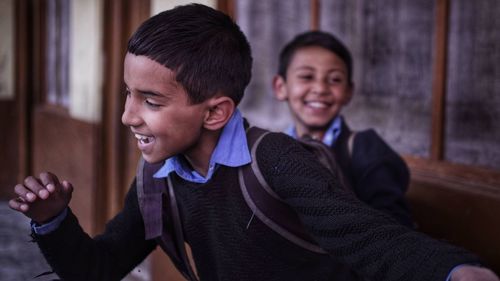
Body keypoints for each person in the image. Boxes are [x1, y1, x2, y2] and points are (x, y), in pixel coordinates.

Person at [8, 4, 499, 281]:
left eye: (151, 101)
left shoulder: (277, 159)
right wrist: (53, 223)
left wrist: (455, 271)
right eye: (127, 94)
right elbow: (101, 268)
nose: (126, 115)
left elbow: (369, 236)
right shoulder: (155, 179)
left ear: (217, 112)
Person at [272, 31, 413, 228]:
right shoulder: (273, 150)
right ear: (280, 87)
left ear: (348, 92)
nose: (320, 88)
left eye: (335, 79)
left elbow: (394, 228)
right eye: (306, 76)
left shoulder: (366, 149)